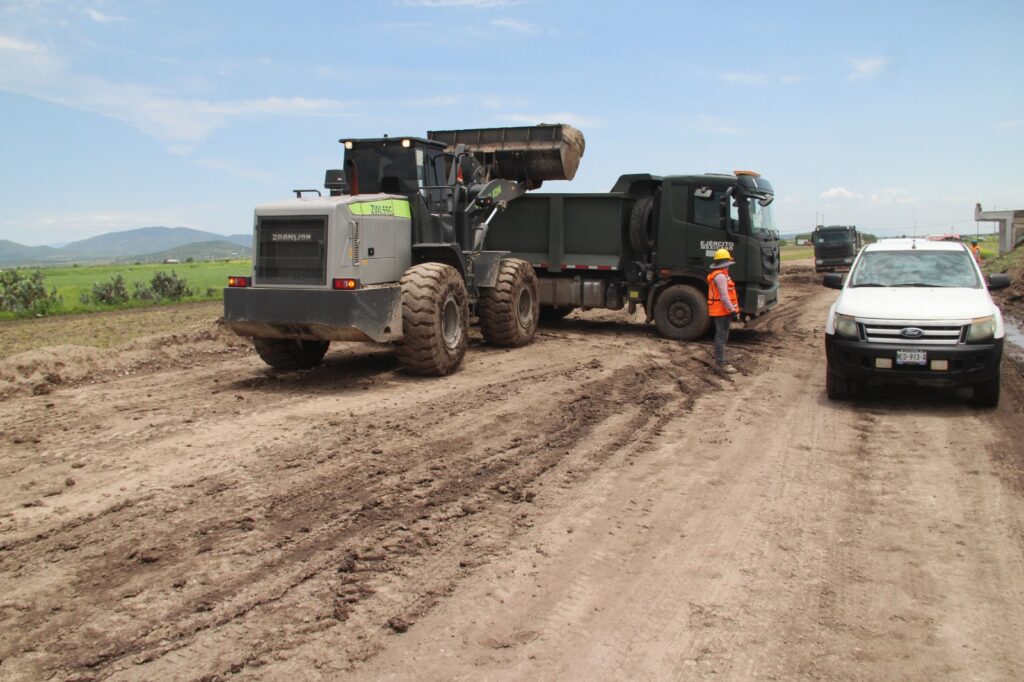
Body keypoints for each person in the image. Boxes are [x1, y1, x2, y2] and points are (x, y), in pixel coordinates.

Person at [706, 248, 741, 374]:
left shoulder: (720, 275)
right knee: (721, 337)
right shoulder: (720, 276)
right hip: (722, 311)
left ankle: (721, 360)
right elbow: (724, 296)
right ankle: (721, 363)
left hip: (722, 311)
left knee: (722, 336)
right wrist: (732, 310)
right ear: (725, 263)